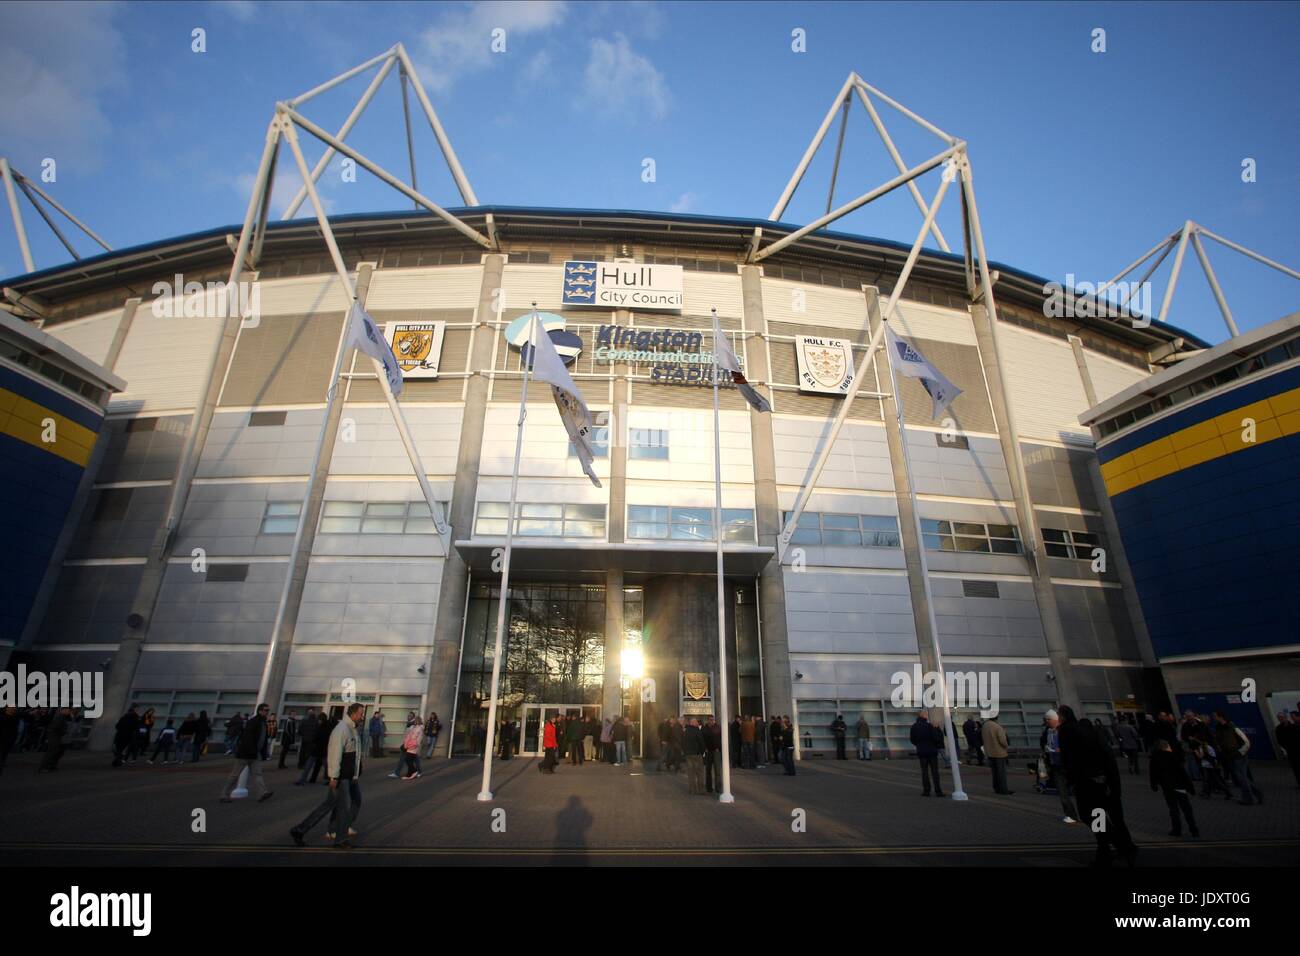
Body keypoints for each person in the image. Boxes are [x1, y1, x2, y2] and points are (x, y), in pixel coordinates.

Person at [1059, 705, 1137, 866]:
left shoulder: (1068, 732)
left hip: (1088, 783)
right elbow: (1108, 758)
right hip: (1104, 782)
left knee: (1092, 815)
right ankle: (1113, 848)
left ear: (1064, 717)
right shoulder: (1094, 735)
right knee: (1107, 816)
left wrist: (1071, 779)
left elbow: (1069, 759)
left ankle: (1115, 846)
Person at [291, 702, 365, 848]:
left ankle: (302, 830)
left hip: (350, 775)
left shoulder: (353, 729)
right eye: (361, 713)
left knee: (340, 803)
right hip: (341, 776)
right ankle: (340, 839)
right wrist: (333, 776)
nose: (362, 716)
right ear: (354, 713)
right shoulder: (342, 730)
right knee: (343, 806)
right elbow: (334, 754)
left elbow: (355, 755)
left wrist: (355, 775)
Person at [219, 703, 275, 804]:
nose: (267, 712)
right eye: (266, 710)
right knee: (235, 775)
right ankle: (224, 794)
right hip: (245, 753)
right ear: (260, 711)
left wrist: (263, 752)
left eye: (268, 710)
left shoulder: (263, 723)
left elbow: (263, 739)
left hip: (256, 754)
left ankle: (262, 793)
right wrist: (252, 751)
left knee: (258, 774)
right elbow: (247, 738)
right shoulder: (253, 722)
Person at [1212, 711, 1263, 805]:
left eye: (1215, 716)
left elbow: (1246, 741)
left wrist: (1240, 752)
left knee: (1242, 777)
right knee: (1242, 778)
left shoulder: (1232, 727)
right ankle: (1258, 794)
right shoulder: (1218, 729)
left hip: (1238, 756)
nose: (1214, 718)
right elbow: (1219, 741)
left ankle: (1248, 799)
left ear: (1221, 717)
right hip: (1229, 756)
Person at [1150, 739, 1199, 837]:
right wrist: (1190, 787)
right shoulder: (1172, 756)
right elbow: (1182, 772)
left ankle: (1176, 830)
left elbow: (1153, 773)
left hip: (1167, 787)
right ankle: (1193, 829)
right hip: (1178, 785)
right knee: (1186, 809)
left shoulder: (1155, 758)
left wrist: (1154, 785)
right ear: (1167, 747)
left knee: (1173, 809)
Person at [1041, 709, 1079, 824]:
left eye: (1049, 720)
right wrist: (1046, 750)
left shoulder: (1067, 730)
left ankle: (1085, 813)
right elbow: (1044, 743)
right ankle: (1070, 815)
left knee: (1077, 791)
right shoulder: (1048, 731)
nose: (1047, 722)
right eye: (1046, 720)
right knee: (1062, 793)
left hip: (1069, 764)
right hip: (1055, 764)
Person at [910, 710, 944, 797]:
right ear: (925, 716)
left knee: (924, 771)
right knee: (934, 772)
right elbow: (937, 738)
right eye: (926, 715)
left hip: (921, 751)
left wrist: (919, 745)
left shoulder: (914, 727)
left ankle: (926, 791)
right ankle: (938, 791)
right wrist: (937, 729)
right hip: (932, 751)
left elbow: (912, 739)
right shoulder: (930, 726)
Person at [981, 714, 1013, 794]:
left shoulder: (985, 726)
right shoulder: (997, 727)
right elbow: (1002, 740)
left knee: (994, 772)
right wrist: (1006, 745)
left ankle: (996, 788)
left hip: (989, 752)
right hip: (999, 752)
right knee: (1001, 772)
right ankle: (1003, 789)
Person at [38, 707, 72, 773]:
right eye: (68, 710)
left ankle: (50, 765)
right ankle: (44, 767)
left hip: (56, 736)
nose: (69, 712)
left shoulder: (61, 717)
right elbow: (56, 727)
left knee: (56, 752)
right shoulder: (59, 717)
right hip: (55, 736)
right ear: (63, 710)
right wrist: (63, 732)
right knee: (51, 752)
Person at [1274, 711, 1300, 786]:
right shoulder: (1278, 729)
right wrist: (1286, 747)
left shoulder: (1294, 726)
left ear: (1286, 717)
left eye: (1282, 717)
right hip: (1291, 751)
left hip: (1298, 749)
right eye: (1279, 718)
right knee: (1296, 768)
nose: (1281, 719)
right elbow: (1279, 740)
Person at [682, 717, 707, 795]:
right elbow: (701, 742)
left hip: (688, 755)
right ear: (693, 723)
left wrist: (685, 752)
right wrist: (702, 752)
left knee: (691, 773)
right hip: (697, 754)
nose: (697, 723)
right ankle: (701, 790)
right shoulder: (697, 731)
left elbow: (683, 742)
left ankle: (692, 790)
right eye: (696, 722)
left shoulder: (686, 731)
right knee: (699, 772)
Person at [703, 715, 722, 793]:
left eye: (712, 719)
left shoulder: (718, 727)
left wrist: (719, 748)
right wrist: (705, 748)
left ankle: (718, 787)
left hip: (716, 751)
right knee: (708, 770)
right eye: (710, 720)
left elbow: (721, 738)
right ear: (707, 720)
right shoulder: (704, 728)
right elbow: (702, 739)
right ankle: (709, 787)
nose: (711, 721)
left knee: (717, 770)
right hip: (708, 752)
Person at [0, 705, 18, 774]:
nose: (14, 709)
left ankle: (2, 762)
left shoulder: (14, 717)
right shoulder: (5, 717)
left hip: (8, 736)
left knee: (4, 751)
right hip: (5, 736)